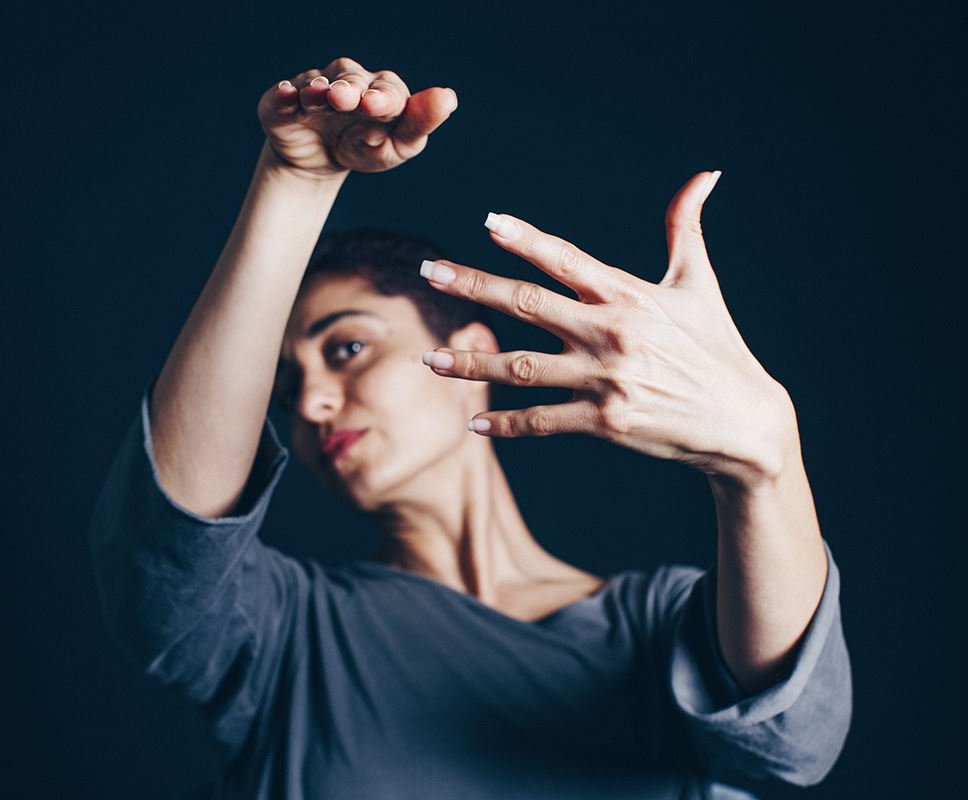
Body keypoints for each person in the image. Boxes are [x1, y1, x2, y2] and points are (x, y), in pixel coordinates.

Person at [88, 58, 852, 799]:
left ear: (471, 354)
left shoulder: (658, 632)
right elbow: (166, 551)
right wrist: (293, 181)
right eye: (286, 392)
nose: (312, 404)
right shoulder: (287, 635)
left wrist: (763, 459)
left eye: (347, 349)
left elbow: (792, 738)